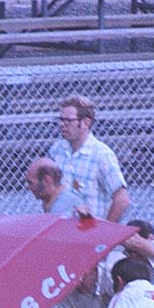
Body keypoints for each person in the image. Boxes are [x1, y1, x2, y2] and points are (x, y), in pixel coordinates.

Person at [25, 157, 99, 308]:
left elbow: (89, 238)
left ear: (46, 180)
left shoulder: (71, 204)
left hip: (87, 278)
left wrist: (86, 271)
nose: (28, 187)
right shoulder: (54, 204)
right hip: (68, 275)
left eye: (30, 182)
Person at [49, 95, 131, 223]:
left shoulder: (102, 155)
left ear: (86, 123)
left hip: (89, 231)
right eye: (60, 120)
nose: (62, 124)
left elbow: (122, 199)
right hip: (62, 231)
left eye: (68, 121)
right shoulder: (56, 151)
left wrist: (106, 232)